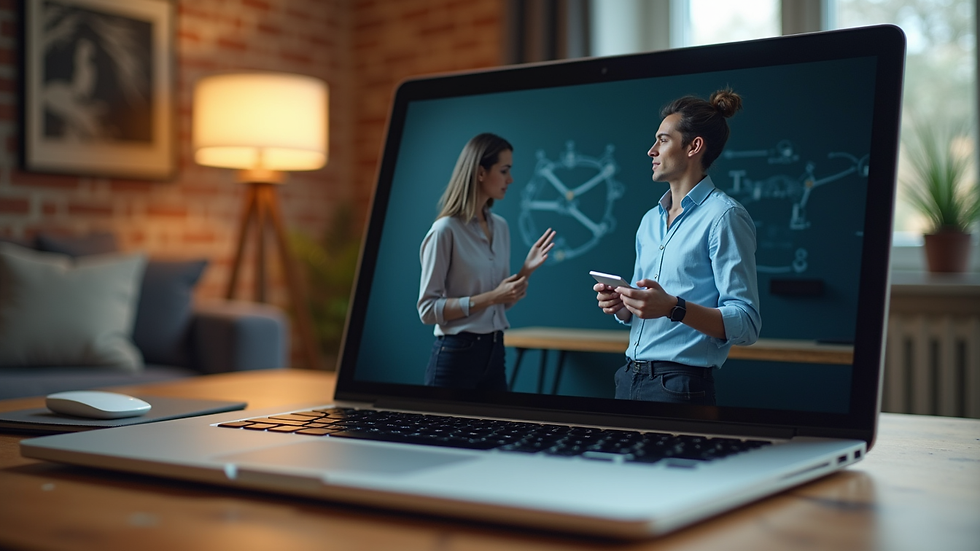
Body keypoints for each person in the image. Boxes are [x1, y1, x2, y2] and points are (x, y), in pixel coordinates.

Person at [593, 89, 761, 405]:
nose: (651, 151)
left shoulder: (725, 216)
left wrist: (673, 307)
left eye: (663, 140)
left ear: (693, 146)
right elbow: (653, 303)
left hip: (680, 387)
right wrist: (625, 305)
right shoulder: (649, 221)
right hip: (628, 377)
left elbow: (747, 323)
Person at [419, 133, 556, 390]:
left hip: (494, 352)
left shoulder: (500, 227)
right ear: (480, 172)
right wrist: (492, 297)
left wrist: (526, 270)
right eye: (504, 170)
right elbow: (427, 311)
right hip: (455, 355)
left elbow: (501, 304)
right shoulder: (444, 230)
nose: (510, 179)